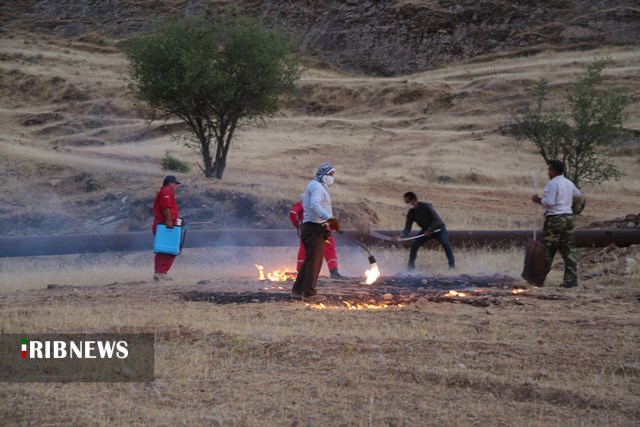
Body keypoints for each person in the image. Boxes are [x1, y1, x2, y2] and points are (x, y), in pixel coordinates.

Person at [291, 163, 340, 301]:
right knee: (315, 261)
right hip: (314, 227)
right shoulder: (317, 187)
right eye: (330, 175)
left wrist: (330, 223)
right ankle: (309, 293)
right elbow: (315, 205)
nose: (332, 178)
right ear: (324, 176)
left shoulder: (315, 186)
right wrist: (329, 218)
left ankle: (297, 291)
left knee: (309, 261)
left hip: (313, 227)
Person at [531, 160, 581, 288]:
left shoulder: (552, 184)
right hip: (568, 218)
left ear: (553, 171)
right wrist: (572, 208)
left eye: (549, 170)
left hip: (555, 219)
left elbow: (549, 202)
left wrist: (538, 200)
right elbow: (578, 195)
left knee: (547, 250)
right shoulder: (569, 183)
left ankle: (538, 279)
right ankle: (571, 280)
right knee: (568, 250)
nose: (548, 173)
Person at [397, 191, 455, 271]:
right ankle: (410, 268)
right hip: (425, 231)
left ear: (414, 201)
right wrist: (401, 236)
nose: (406, 204)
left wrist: (430, 229)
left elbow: (436, 219)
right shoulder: (411, 213)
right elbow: (407, 228)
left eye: (408, 202)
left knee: (446, 244)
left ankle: (452, 267)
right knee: (415, 245)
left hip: (439, 229)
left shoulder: (426, 206)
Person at [289, 200, 344, 279]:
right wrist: (335, 228)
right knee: (329, 249)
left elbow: (293, 213)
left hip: (308, 229)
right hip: (324, 229)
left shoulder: (303, 202)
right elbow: (328, 216)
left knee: (304, 249)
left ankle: (301, 273)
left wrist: (298, 226)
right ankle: (334, 271)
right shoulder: (322, 203)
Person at [152, 175, 181, 281]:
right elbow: (166, 207)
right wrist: (169, 220)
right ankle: (162, 272)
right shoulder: (166, 192)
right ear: (170, 183)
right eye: (175, 184)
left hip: (163, 225)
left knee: (163, 249)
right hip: (165, 225)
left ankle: (159, 272)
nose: (176, 186)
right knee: (170, 249)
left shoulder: (164, 192)